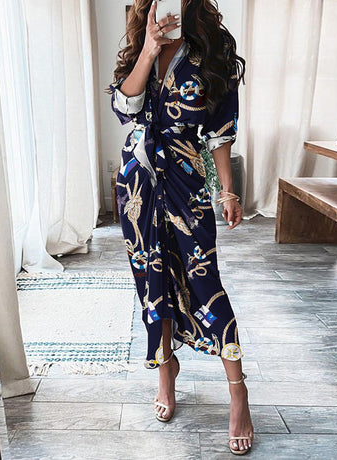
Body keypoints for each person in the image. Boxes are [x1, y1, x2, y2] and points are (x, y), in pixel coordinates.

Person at [105, 0, 253, 454]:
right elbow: (124, 107)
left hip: (187, 181)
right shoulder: (141, 39)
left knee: (204, 280)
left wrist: (227, 191)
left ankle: (238, 391)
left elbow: (220, 130)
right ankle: (165, 369)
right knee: (152, 280)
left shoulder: (213, 47)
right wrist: (149, 50)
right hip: (137, 181)